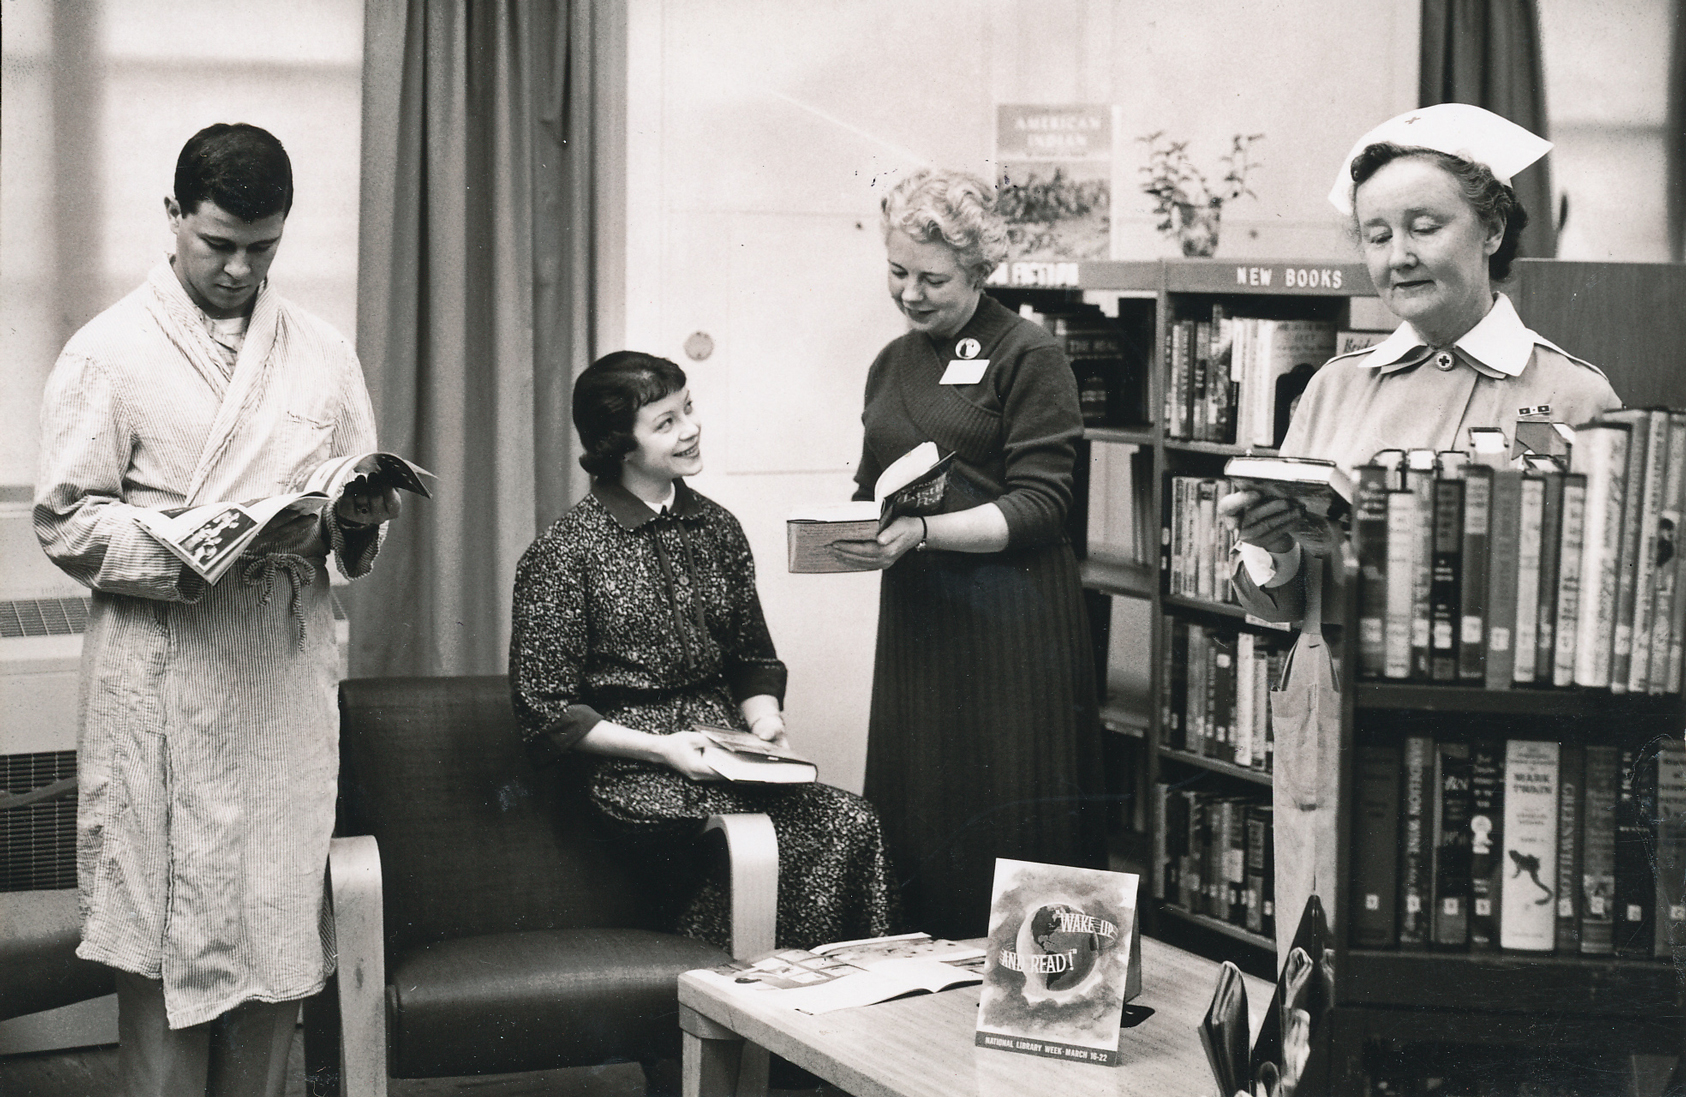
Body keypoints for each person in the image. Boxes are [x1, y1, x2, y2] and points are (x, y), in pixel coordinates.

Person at [34, 124, 401, 1097]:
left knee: (272, 933)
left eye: (263, 248)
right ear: (173, 218)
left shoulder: (321, 353)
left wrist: (353, 519)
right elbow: (65, 520)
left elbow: (356, 516)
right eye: (218, 244)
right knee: (160, 942)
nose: (240, 268)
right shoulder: (105, 353)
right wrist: (187, 546)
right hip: (161, 679)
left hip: (277, 684)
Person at [1217, 104, 1621, 956]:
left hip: (1495, 748)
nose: (1396, 255)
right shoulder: (1331, 389)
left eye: (1424, 226)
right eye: (1374, 235)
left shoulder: (1576, 397)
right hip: (1339, 731)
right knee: (1326, 986)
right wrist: (1277, 541)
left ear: (1493, 226)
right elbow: (1273, 600)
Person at [508, 351, 899, 952]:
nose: (690, 428)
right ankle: (718, 1003)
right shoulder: (564, 551)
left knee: (852, 821)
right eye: (665, 423)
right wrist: (664, 750)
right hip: (632, 772)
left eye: (687, 409)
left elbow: (752, 658)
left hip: (727, 755)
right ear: (618, 443)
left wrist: (766, 722)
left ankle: (811, 1015)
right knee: (774, 843)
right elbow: (547, 712)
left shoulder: (719, 528)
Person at [831, 168, 1106, 939]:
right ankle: (922, 1037)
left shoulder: (1030, 353)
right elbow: (875, 484)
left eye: (933, 278)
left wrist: (922, 533)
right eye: (897, 272)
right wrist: (843, 526)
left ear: (981, 270)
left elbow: (1042, 506)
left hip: (1011, 621)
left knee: (1016, 817)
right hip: (922, 620)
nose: (911, 293)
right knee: (919, 811)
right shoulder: (891, 361)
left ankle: (1047, 1009)